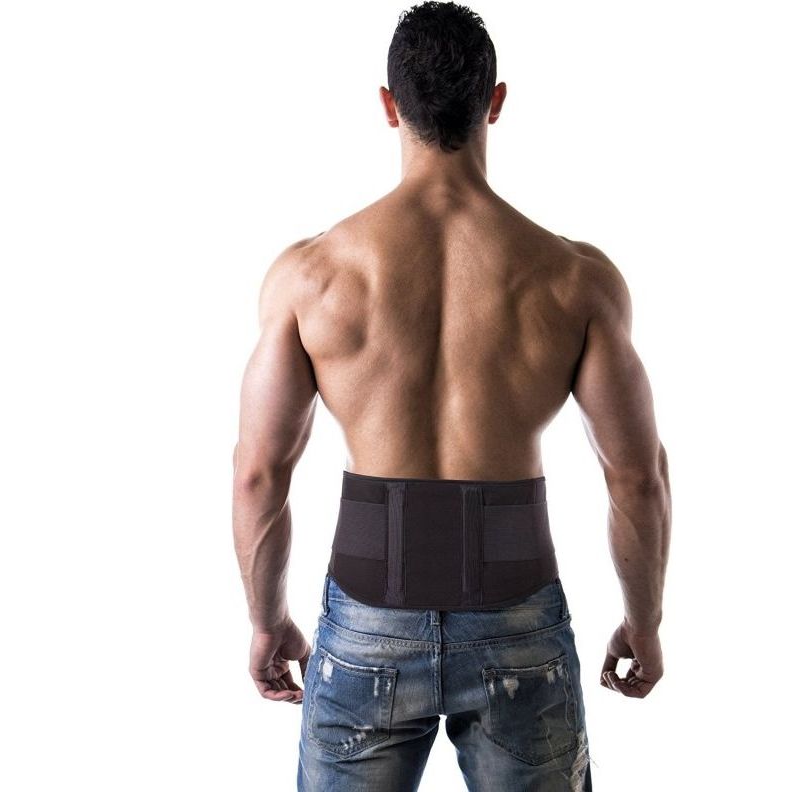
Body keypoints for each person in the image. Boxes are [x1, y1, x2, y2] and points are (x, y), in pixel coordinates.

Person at [231, 2, 672, 790]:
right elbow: (637, 477)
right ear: (494, 102)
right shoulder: (574, 280)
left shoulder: (312, 277)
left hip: (367, 623)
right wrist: (646, 621)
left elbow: (260, 473)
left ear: (389, 105)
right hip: (517, 625)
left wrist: (267, 622)